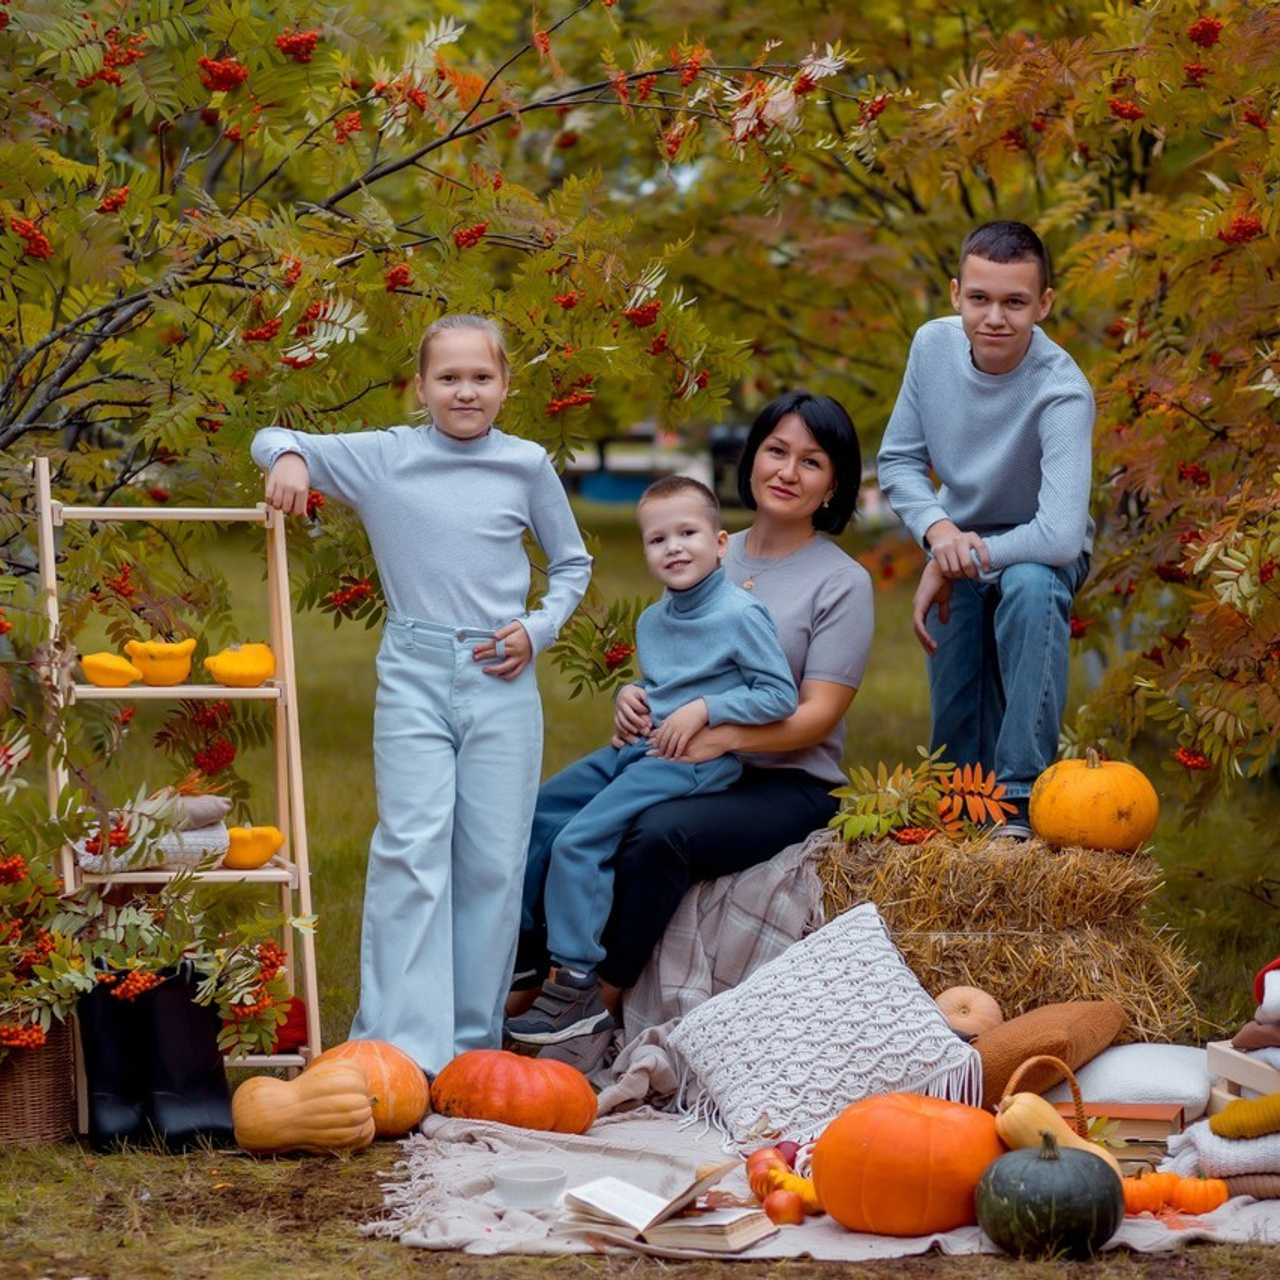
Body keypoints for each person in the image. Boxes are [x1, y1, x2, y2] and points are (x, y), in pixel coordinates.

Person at [251, 313, 592, 1076]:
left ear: (505, 385)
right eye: (448, 377)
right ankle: (398, 1046)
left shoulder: (528, 464)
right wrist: (293, 462)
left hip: (501, 679)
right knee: (410, 848)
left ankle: (467, 1049)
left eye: (480, 377)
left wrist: (536, 631)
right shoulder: (385, 458)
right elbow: (271, 436)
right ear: (421, 387)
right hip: (413, 674)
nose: (464, 391)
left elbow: (572, 564)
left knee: (493, 862)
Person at [512, 391, 872, 1066]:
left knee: (655, 836)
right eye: (775, 450)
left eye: (812, 461)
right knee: (563, 815)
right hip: (684, 754)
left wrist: (719, 731)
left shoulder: (841, 582)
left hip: (788, 777)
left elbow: (815, 715)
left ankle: (598, 1002)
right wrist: (633, 696)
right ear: (751, 457)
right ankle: (526, 974)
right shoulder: (700, 548)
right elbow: (677, 668)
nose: (788, 471)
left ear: (835, 482)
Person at [507, 475, 799, 1046]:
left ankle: (574, 982)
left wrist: (707, 709)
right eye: (657, 539)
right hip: (641, 745)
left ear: (720, 544)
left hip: (692, 758)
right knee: (538, 812)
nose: (673, 547)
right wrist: (631, 693)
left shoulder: (740, 614)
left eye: (688, 533)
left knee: (579, 840)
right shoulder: (653, 619)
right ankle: (522, 949)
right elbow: (663, 679)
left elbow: (778, 696)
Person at [877, 220, 1095, 838]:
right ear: (955, 294)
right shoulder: (930, 347)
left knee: (1029, 585)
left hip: (1039, 549)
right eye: (980, 298)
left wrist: (953, 558)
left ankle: (1023, 805)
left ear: (1043, 304)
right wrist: (938, 534)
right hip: (960, 534)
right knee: (956, 748)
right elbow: (897, 461)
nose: (994, 317)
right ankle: (963, 812)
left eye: (1014, 302)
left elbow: (1056, 535)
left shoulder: (1063, 392)